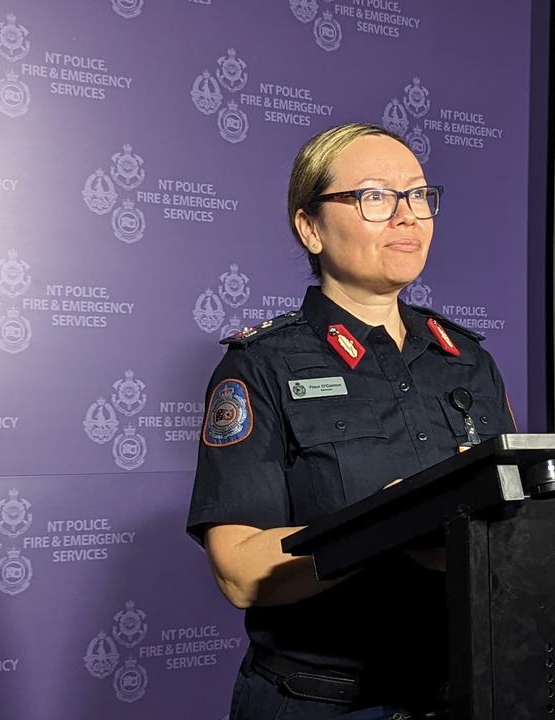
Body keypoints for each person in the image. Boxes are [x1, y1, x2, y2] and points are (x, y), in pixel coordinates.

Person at [186, 122, 517, 720]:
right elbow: (237, 569)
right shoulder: (261, 365)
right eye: (375, 197)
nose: (408, 217)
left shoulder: (468, 361)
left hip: (466, 694)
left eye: (419, 196)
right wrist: (385, 525)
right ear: (310, 227)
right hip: (321, 703)